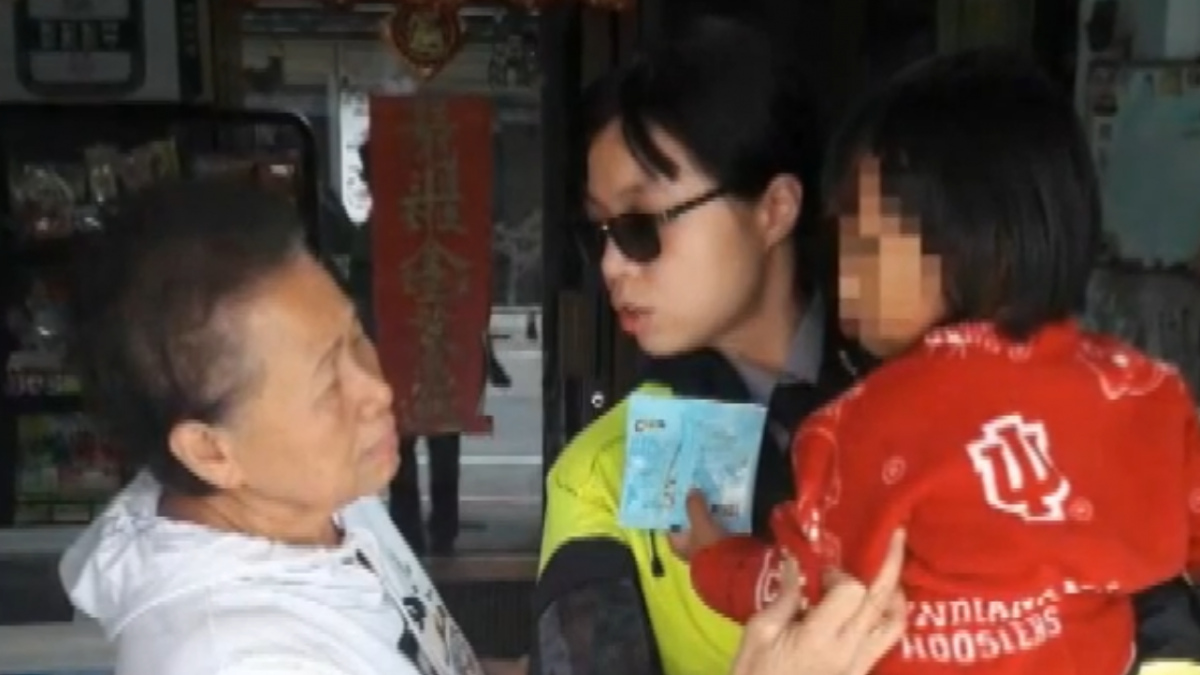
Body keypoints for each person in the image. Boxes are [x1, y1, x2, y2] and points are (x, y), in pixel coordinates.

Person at [532, 15, 1200, 675]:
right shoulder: (602, 473)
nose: (613, 266)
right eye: (599, 234)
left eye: (641, 225)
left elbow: (1161, 621)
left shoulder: (1045, 417)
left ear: (776, 208)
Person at [52, 179, 903, 675]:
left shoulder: (309, 503)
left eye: (356, 337)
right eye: (324, 382)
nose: (376, 389)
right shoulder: (241, 658)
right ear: (209, 449)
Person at [390, 337, 510, 556]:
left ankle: (415, 530)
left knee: (412, 453)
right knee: (431, 452)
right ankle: (434, 530)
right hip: (430, 363)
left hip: (416, 363)